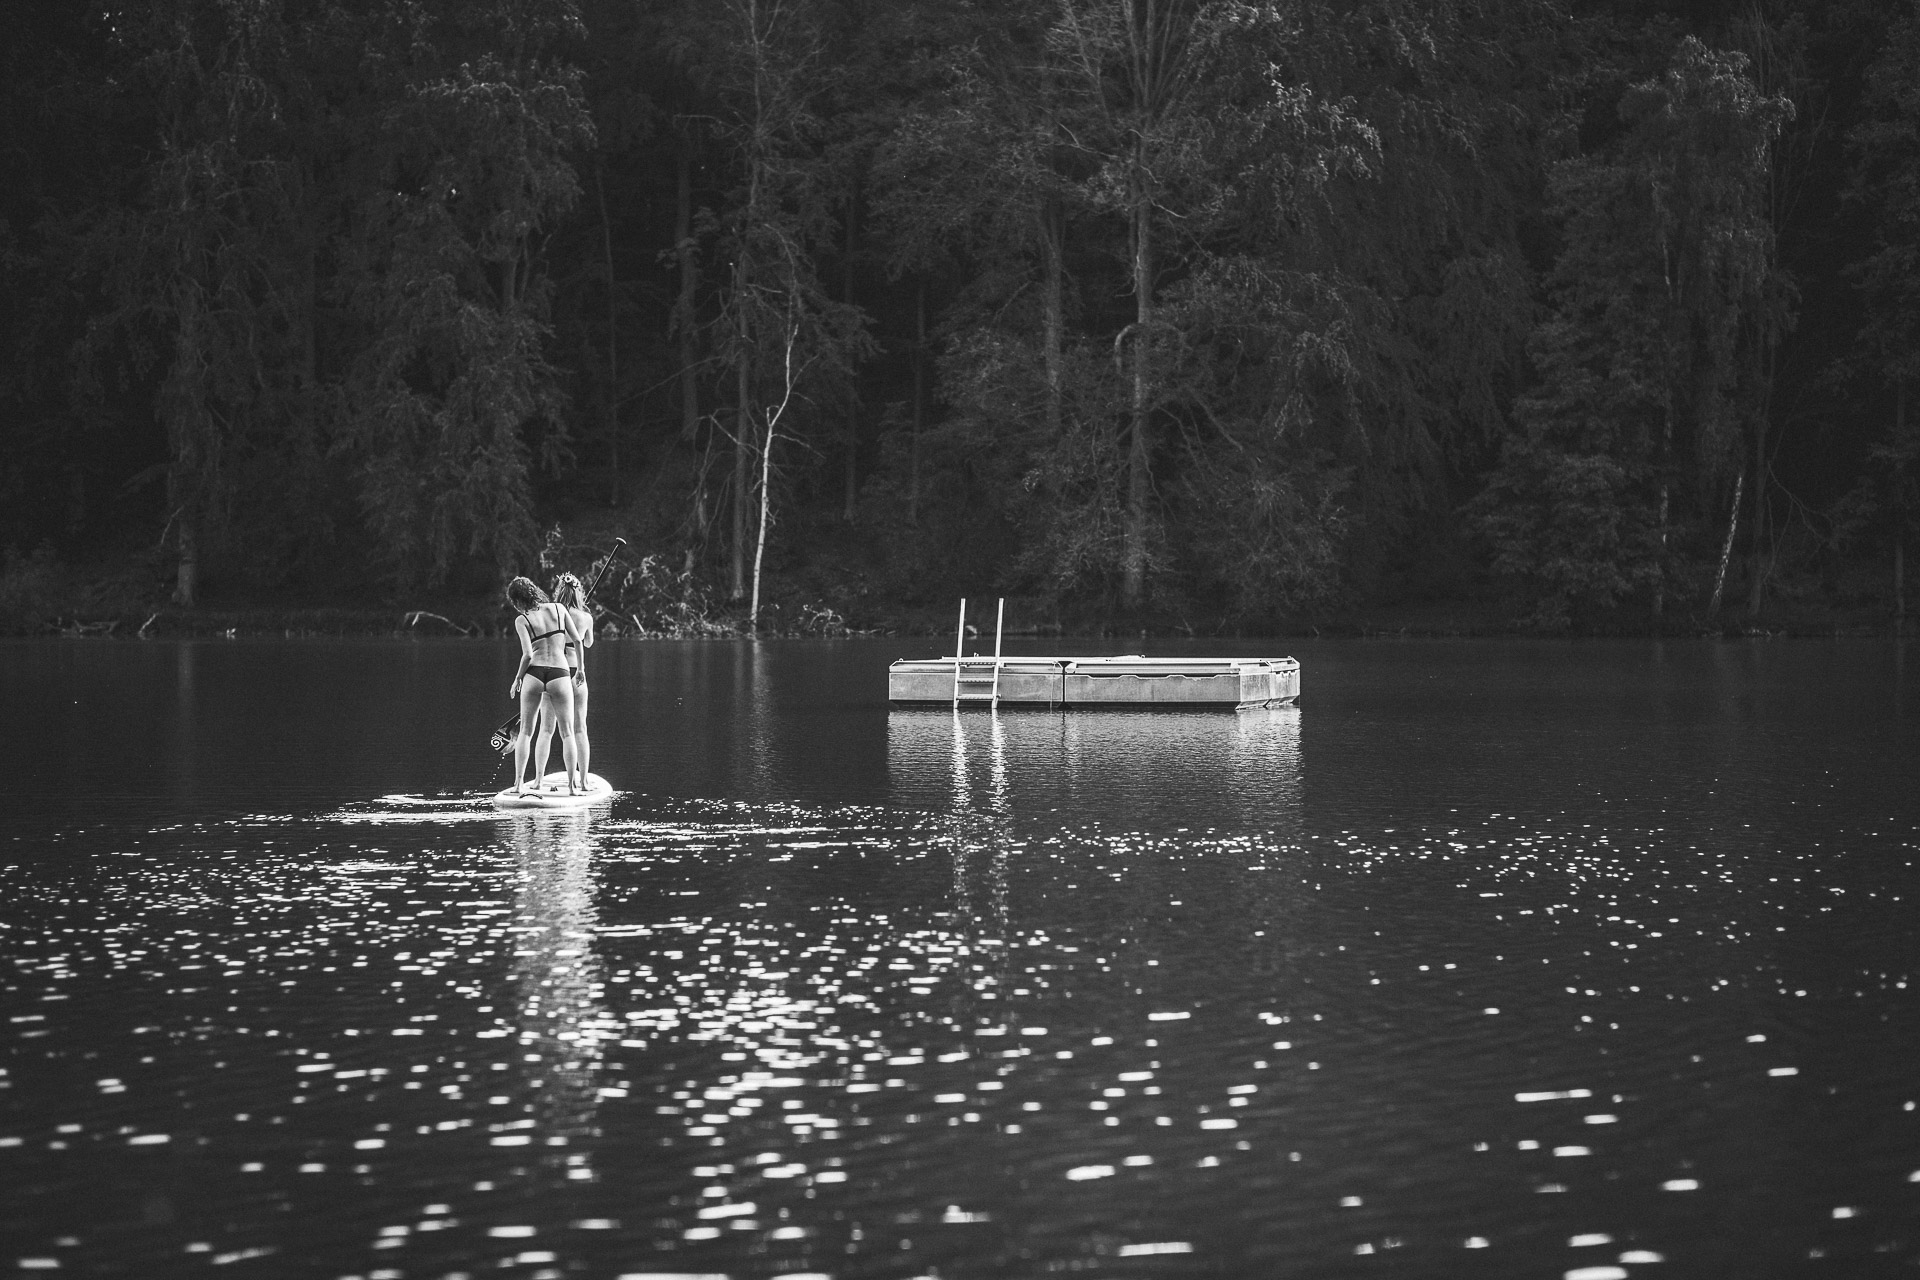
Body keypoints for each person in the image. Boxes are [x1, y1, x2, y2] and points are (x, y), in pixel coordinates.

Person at [505, 576, 587, 796]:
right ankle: (572, 787)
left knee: (526, 731)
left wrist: (518, 679)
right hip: (560, 673)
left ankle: (519, 784)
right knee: (567, 732)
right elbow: (578, 641)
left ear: (517, 600)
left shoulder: (522, 620)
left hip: (534, 674)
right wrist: (580, 669)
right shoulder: (559, 609)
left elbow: (527, 655)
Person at [530, 571, 595, 792]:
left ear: (559, 591)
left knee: (546, 729)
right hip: (576, 672)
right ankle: (583, 782)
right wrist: (582, 618)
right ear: (579, 592)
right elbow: (587, 643)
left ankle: (538, 780)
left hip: (555, 673)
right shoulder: (586, 617)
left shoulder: (551, 614)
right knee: (579, 729)